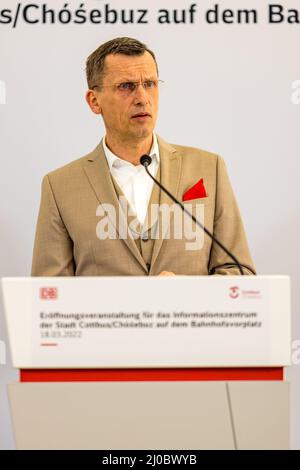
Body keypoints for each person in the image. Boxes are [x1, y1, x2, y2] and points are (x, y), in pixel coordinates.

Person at [31, 37, 255, 277]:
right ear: (94, 101)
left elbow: (240, 275)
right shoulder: (60, 187)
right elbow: (48, 295)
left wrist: (190, 293)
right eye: (126, 86)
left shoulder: (210, 169)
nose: (142, 98)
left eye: (149, 84)